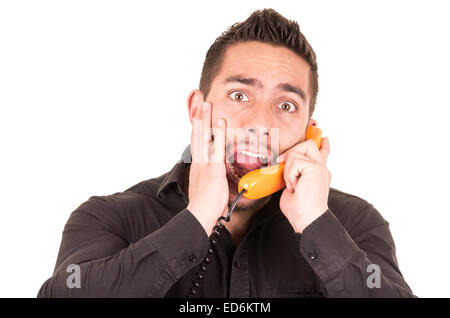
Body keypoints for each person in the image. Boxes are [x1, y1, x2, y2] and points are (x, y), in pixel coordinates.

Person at [37, 8, 415, 298]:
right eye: (240, 96)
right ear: (197, 109)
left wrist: (318, 228)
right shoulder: (110, 217)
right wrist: (197, 218)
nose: (260, 123)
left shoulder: (355, 224)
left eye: (286, 106)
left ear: (309, 131)